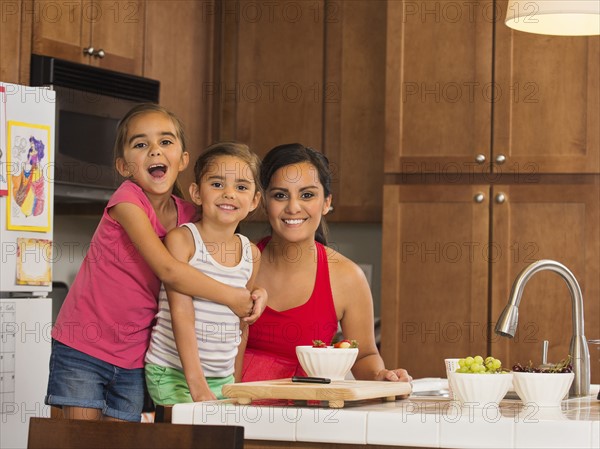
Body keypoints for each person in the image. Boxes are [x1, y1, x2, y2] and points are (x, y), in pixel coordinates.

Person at [46, 104, 266, 422]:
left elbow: (225, 259)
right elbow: (169, 271)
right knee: (79, 438)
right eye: (140, 144)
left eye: (165, 142)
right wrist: (233, 297)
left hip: (136, 356)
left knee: (120, 443)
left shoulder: (190, 217)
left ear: (183, 159)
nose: (154, 151)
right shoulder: (127, 201)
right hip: (84, 345)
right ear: (123, 166)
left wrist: (257, 291)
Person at [241, 143, 411, 383]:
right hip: (234, 405)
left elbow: (363, 356)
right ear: (263, 201)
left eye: (307, 195)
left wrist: (380, 376)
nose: (293, 207)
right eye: (280, 195)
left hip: (304, 412)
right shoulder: (238, 260)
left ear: (326, 202)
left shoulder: (347, 277)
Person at [145, 142, 262, 404]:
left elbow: (243, 323)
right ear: (197, 193)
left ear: (254, 200)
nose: (229, 194)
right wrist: (196, 385)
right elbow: (181, 313)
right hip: (172, 372)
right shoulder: (182, 240)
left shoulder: (251, 254)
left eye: (241, 187)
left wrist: (236, 381)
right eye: (217, 184)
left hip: (222, 379)